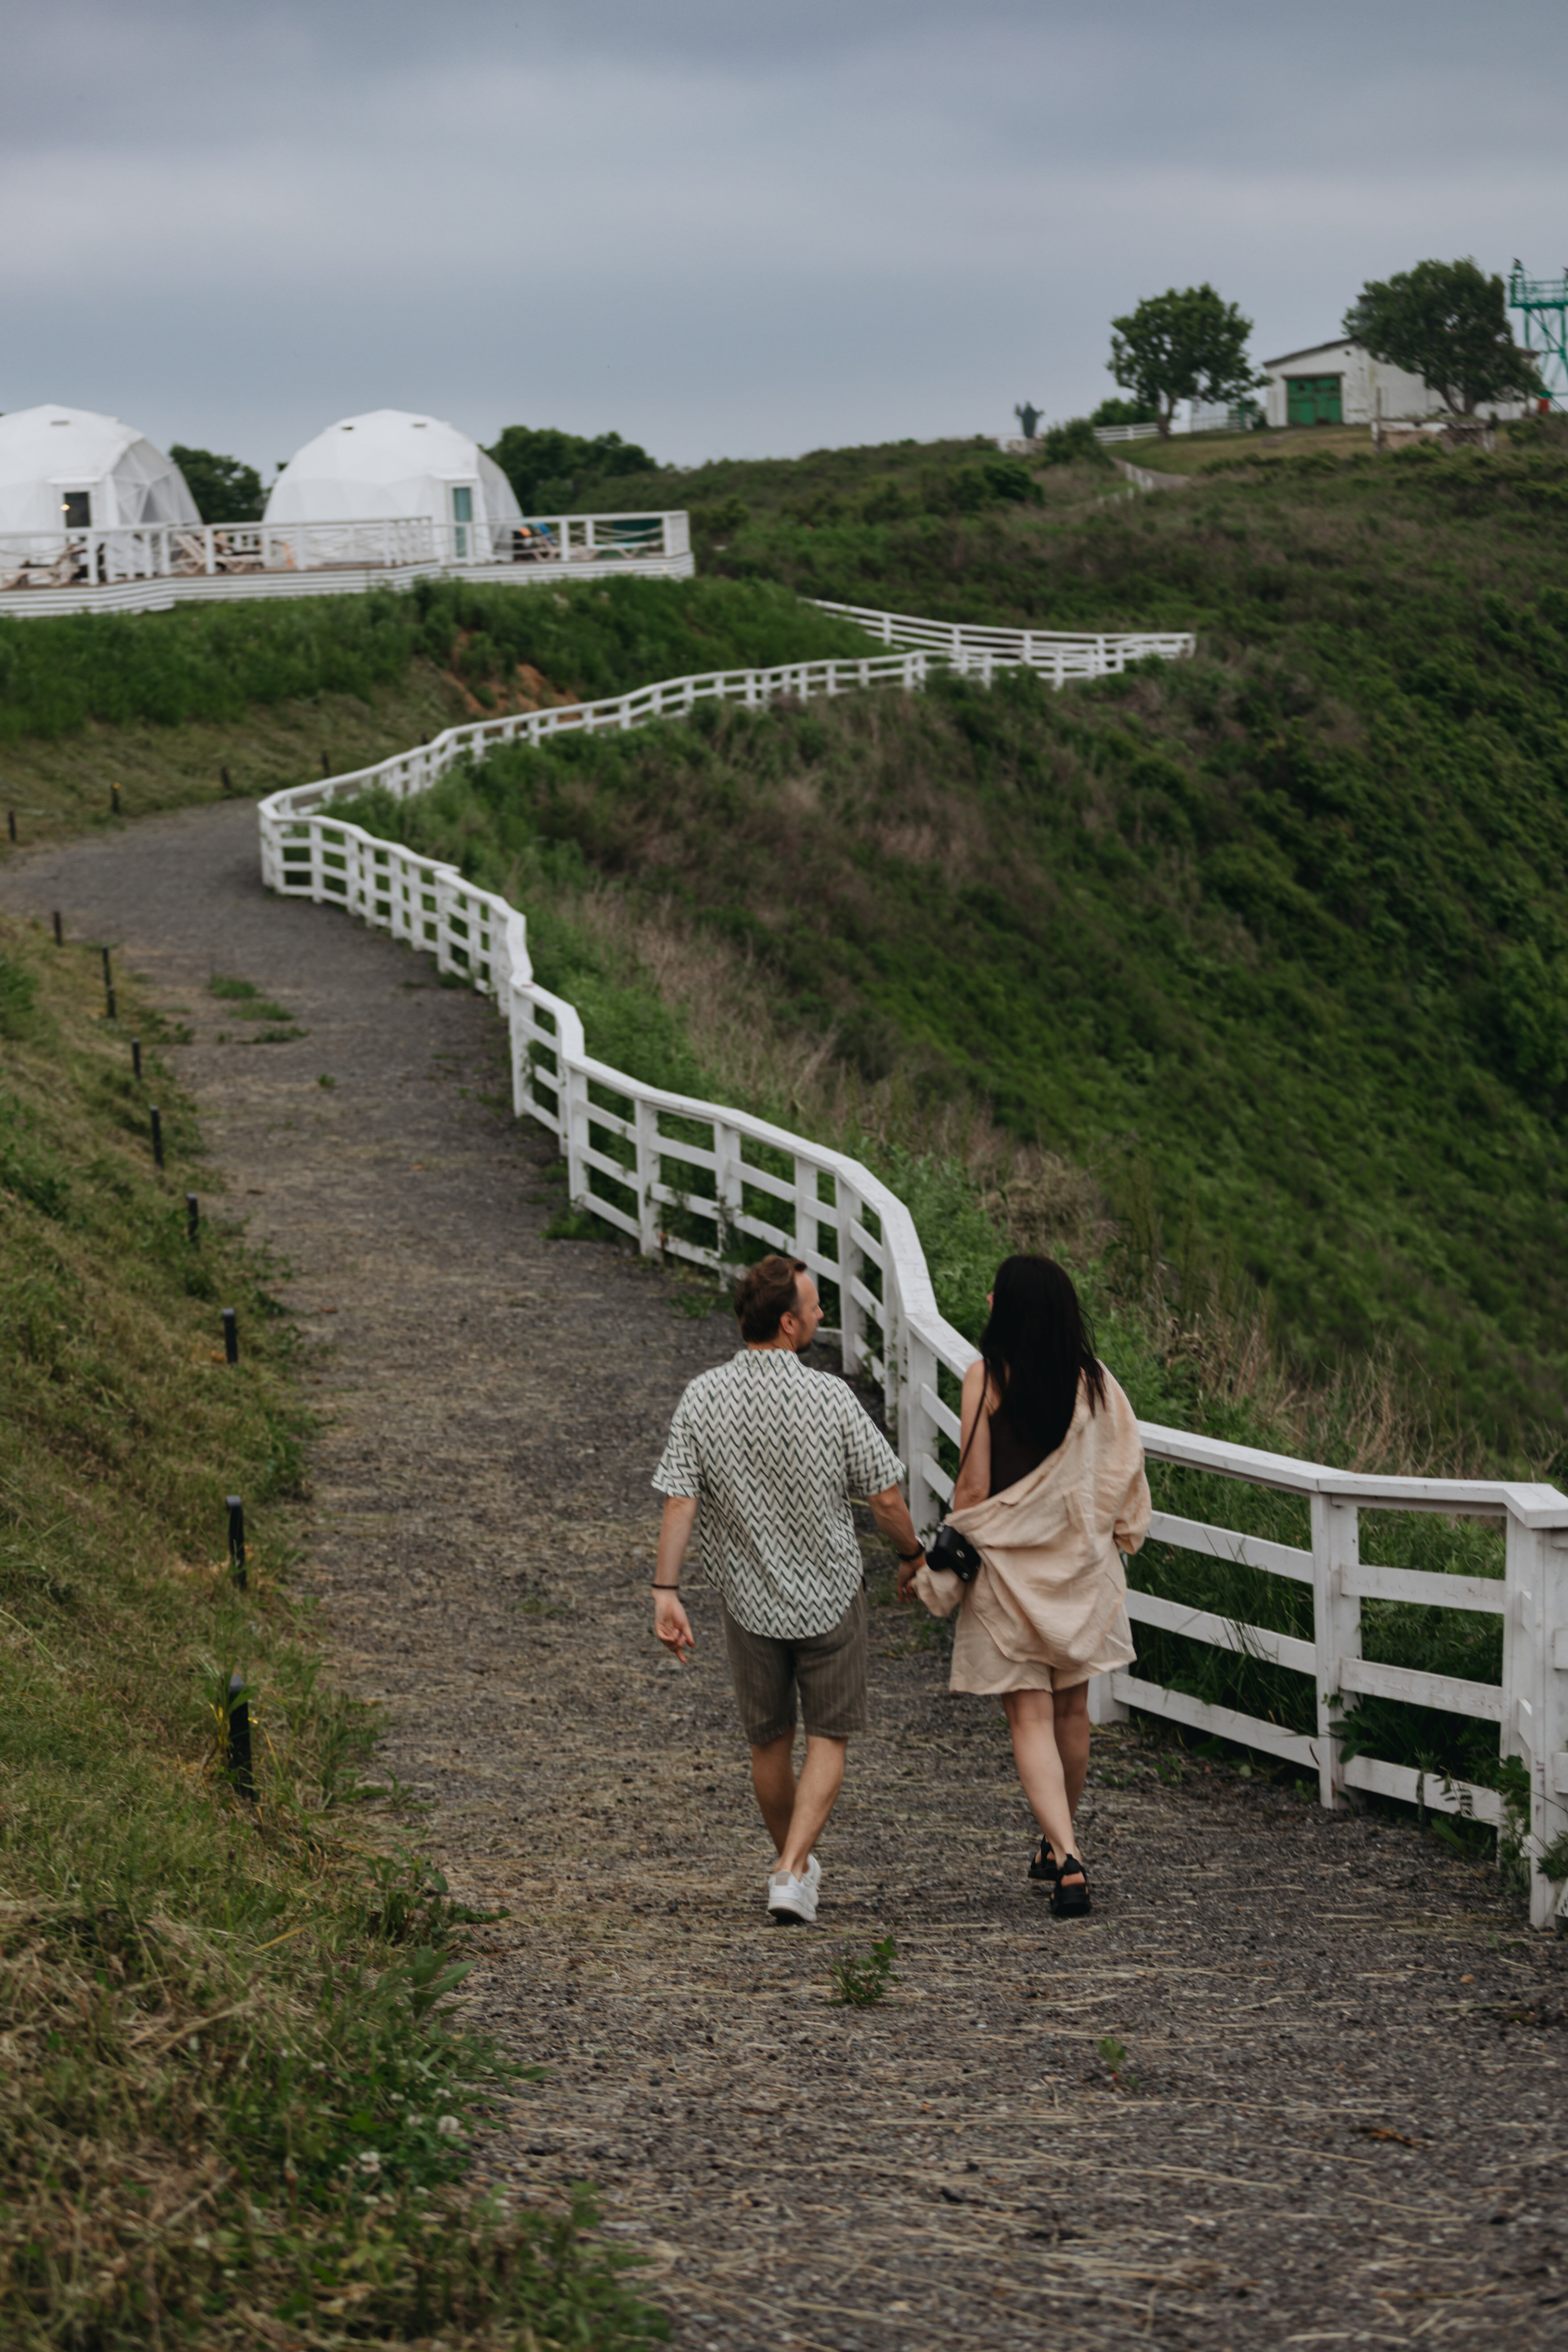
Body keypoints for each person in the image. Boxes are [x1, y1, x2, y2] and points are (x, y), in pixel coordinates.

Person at [651, 1253, 926, 1924]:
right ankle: (789, 1868)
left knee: (768, 1743)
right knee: (828, 1737)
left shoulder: (702, 1396)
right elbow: (885, 1496)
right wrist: (911, 1554)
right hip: (831, 1592)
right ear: (786, 1321)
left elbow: (679, 1502)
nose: (822, 1315)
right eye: (813, 1306)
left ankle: (792, 1868)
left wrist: (666, 1589)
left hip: (748, 1599)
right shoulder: (830, 1397)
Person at [905, 1255, 1149, 1919]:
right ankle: (1054, 1844)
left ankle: (1068, 1859)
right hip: (1078, 1571)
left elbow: (976, 1487)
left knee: (1029, 1718)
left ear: (1006, 1309)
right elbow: (1119, 1475)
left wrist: (940, 1553)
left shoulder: (986, 1377)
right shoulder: (1097, 1385)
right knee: (1072, 1714)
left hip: (1010, 1573)